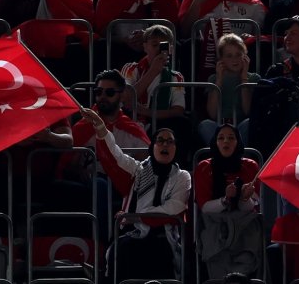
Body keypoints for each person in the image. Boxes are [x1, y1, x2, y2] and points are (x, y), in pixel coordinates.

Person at [78, 108, 189, 281]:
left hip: (165, 238)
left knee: (157, 251)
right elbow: (115, 156)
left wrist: (135, 217)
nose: (165, 145)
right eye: (160, 140)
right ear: (152, 147)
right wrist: (101, 128)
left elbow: (172, 209)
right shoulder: (138, 170)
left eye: (170, 141)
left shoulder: (183, 176)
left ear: (176, 148)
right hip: (134, 233)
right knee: (122, 248)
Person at [193, 121, 264, 279]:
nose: (226, 141)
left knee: (251, 235)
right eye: (221, 138)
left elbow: (251, 208)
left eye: (231, 138)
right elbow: (204, 207)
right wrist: (225, 200)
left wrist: (244, 198)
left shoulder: (251, 166)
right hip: (215, 222)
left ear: (238, 143)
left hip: (244, 223)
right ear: (215, 142)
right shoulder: (204, 167)